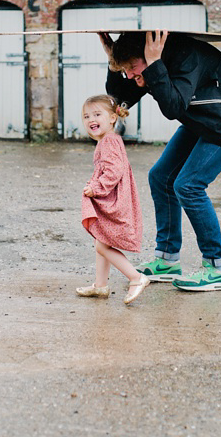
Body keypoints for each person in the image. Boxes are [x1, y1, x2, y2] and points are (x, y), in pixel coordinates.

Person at [101, 30, 221, 292]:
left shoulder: (186, 56)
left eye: (132, 67)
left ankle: (218, 267)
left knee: (188, 185)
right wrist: (113, 62)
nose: (129, 74)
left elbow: (172, 108)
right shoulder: (149, 64)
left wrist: (153, 64)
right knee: (160, 177)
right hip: (203, 116)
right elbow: (121, 97)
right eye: (126, 69)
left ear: (150, 54)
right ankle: (167, 260)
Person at [77, 94, 150, 305]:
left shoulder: (108, 141)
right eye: (86, 116)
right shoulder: (110, 140)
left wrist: (96, 188)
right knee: (102, 240)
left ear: (112, 118)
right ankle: (100, 286)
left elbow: (114, 170)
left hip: (112, 199)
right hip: (113, 196)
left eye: (97, 114)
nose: (91, 119)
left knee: (103, 246)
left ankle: (136, 278)